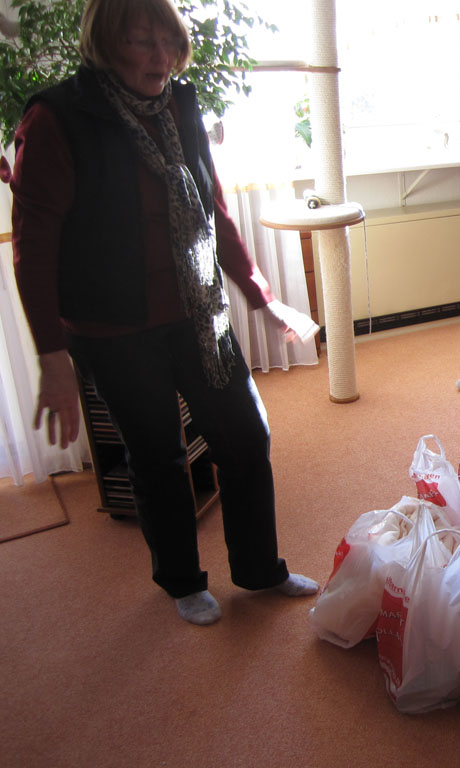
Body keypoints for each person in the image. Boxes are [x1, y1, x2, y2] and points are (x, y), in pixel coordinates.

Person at [10, 0, 320, 626]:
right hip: (112, 329)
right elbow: (33, 248)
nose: (161, 58)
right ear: (105, 43)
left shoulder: (180, 104)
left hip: (197, 312)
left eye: (169, 43)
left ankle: (259, 568)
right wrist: (52, 359)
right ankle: (181, 580)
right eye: (141, 42)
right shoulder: (57, 119)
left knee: (245, 435)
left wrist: (262, 296)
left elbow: (213, 211)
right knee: (158, 455)